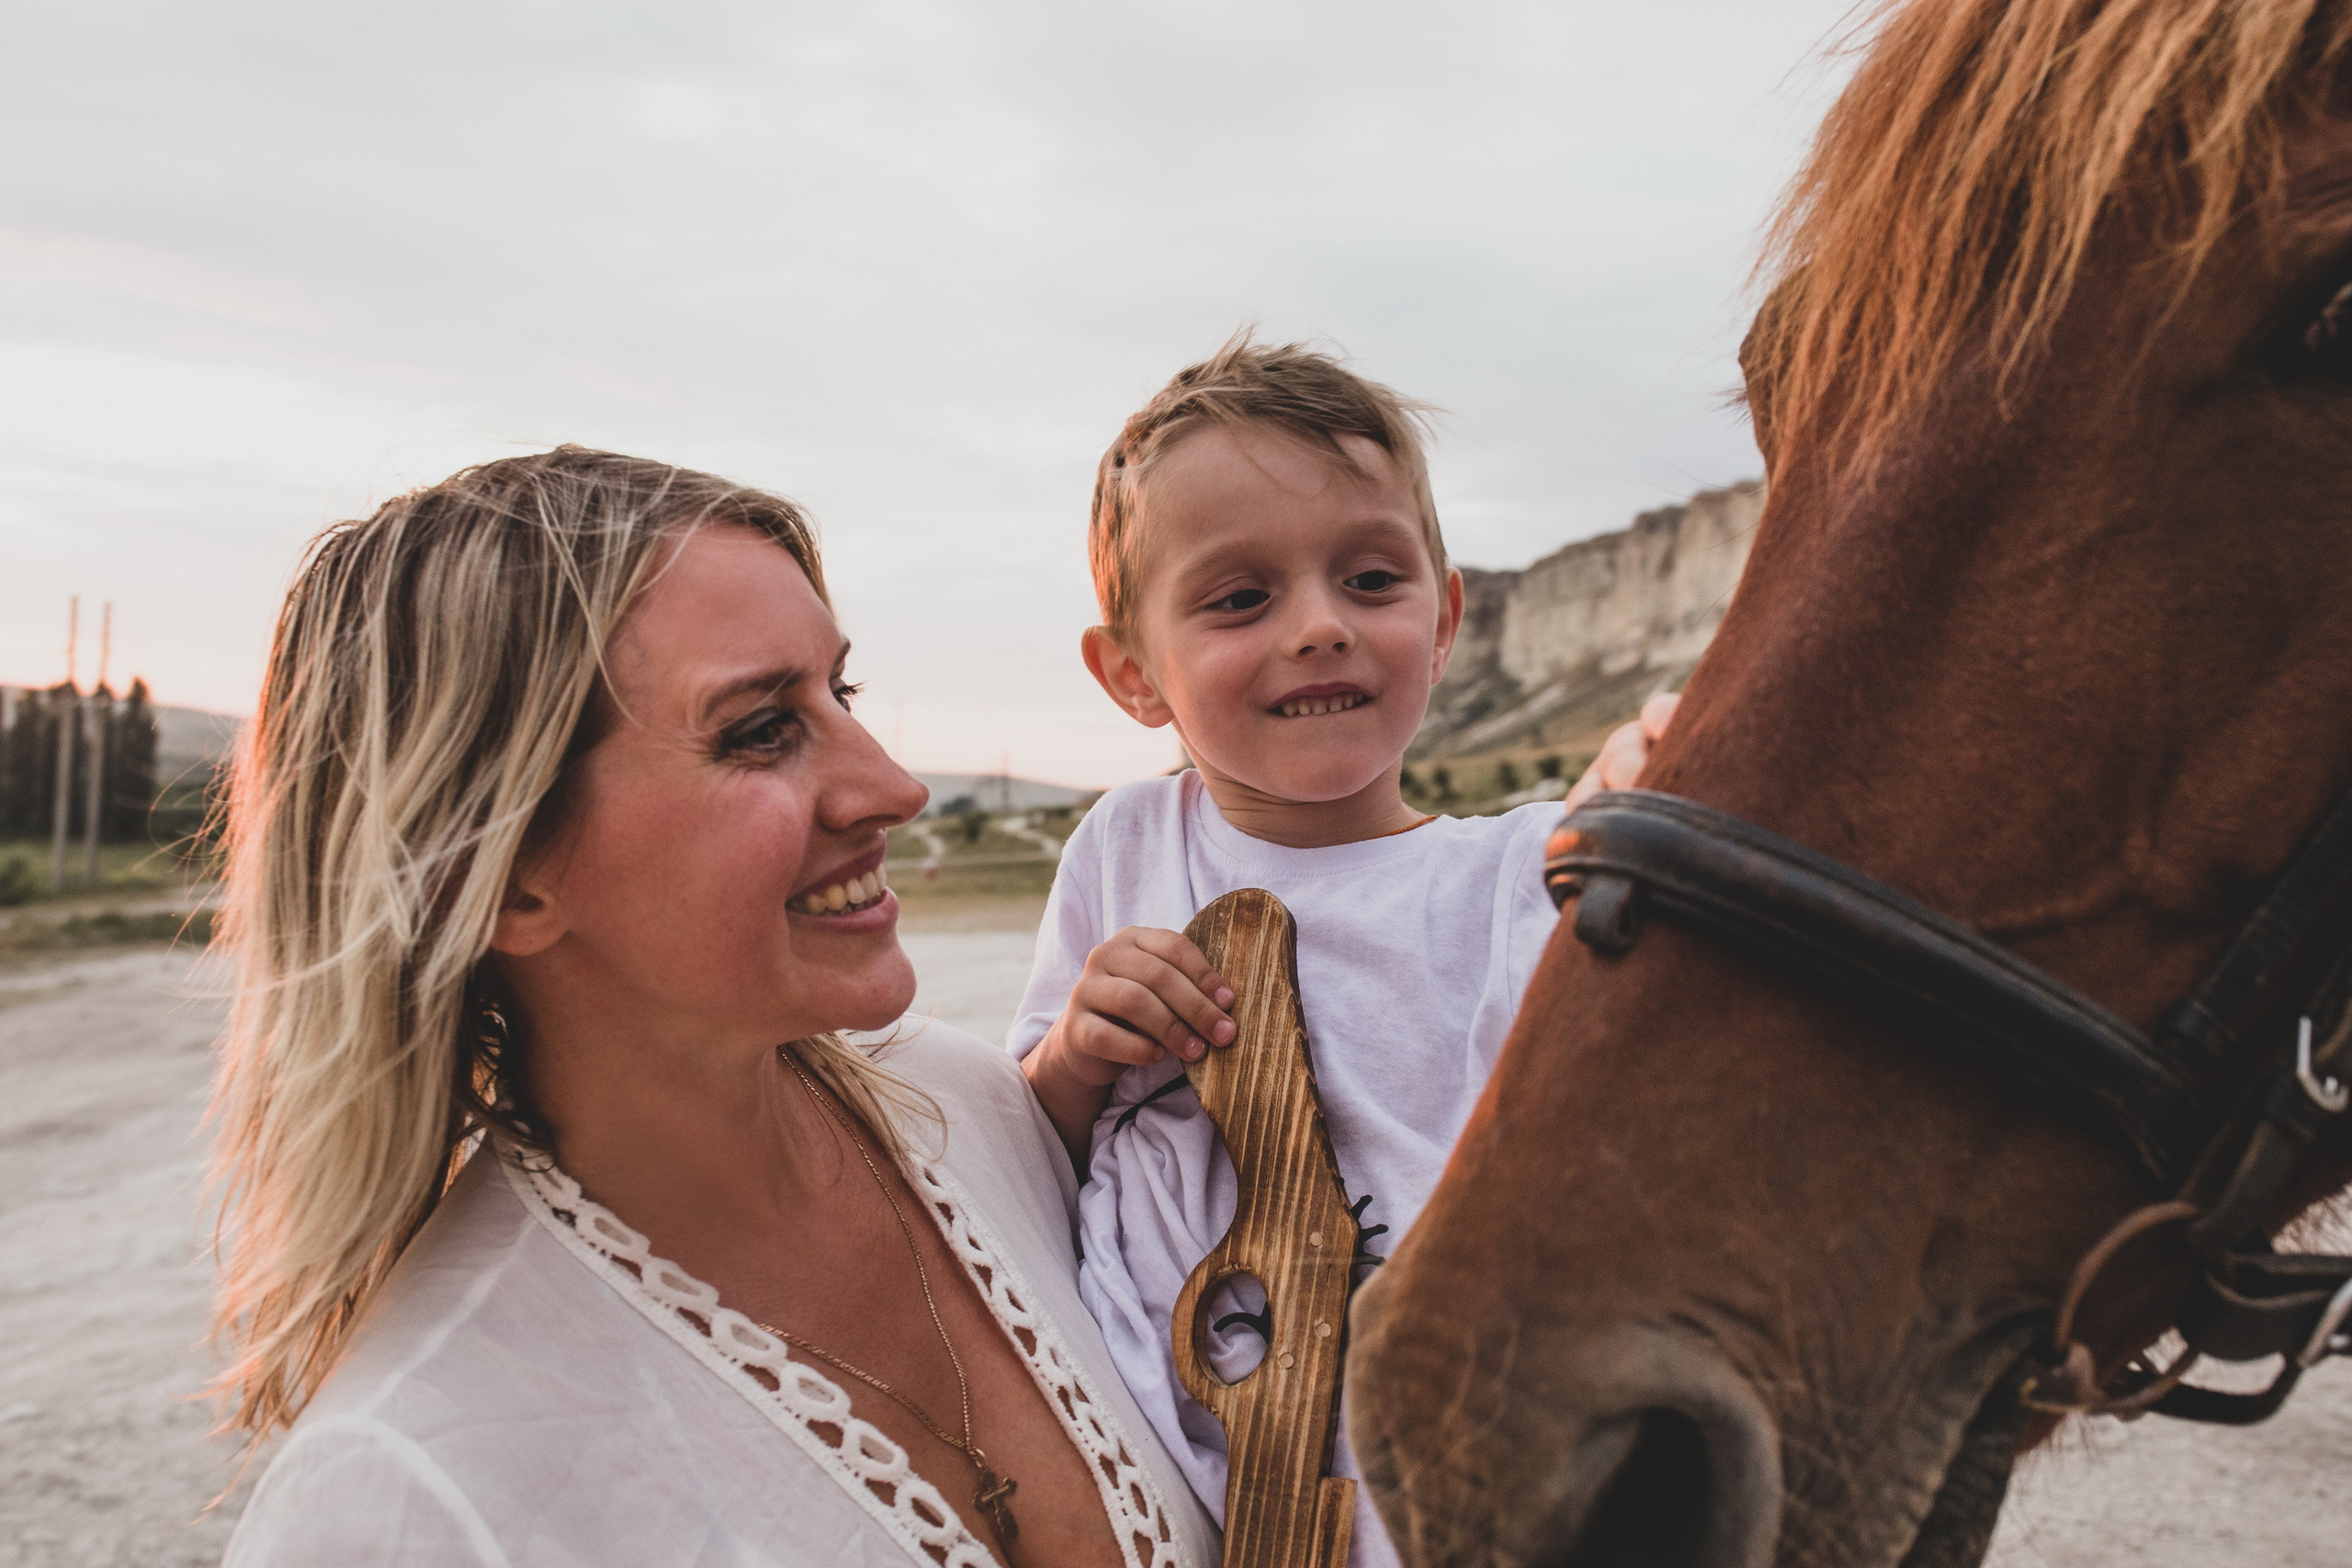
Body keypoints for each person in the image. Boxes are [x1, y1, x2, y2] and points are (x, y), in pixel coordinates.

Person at [209, 447, 1217, 1568]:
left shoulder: (979, 1109)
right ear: (499, 876)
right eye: (760, 730)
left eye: (842, 692)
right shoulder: (410, 1489)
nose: (896, 788)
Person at [1011, 337, 1678, 1568]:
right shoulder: (1125, 844)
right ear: (1131, 672)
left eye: (1372, 578)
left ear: (1446, 613)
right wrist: (1075, 1050)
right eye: (1239, 597)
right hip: (1159, 1450)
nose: (1320, 626)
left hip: (1428, 1449)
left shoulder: (1516, 871)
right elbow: (1026, 1159)